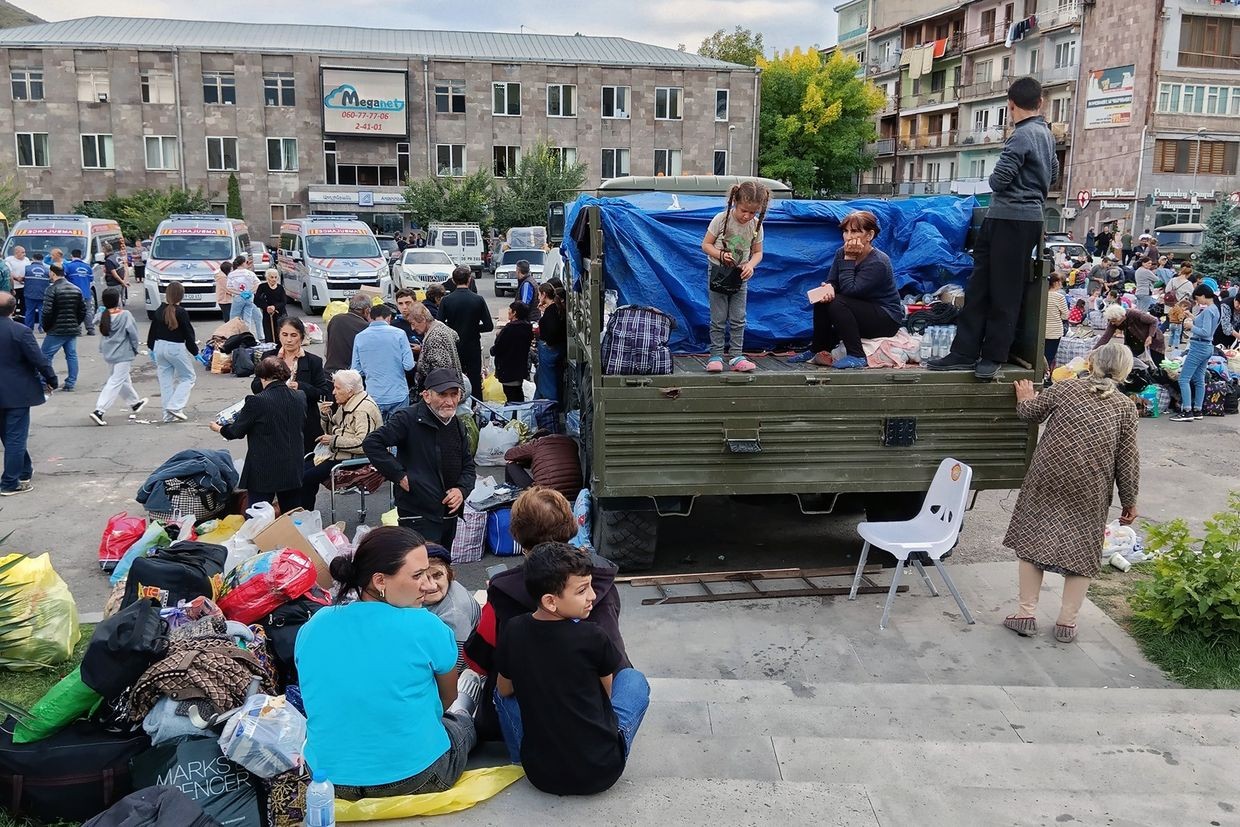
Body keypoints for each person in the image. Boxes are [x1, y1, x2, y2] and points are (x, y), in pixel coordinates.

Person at [296, 526, 482, 799]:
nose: (428, 586)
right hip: (416, 775)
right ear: (380, 581)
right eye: (418, 575)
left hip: (328, 781)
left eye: (430, 574)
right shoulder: (427, 625)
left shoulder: (314, 625)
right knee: (461, 721)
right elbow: (447, 699)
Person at [465, 487, 630, 743]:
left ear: (518, 535)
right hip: (595, 708)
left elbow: (482, 658)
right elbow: (614, 651)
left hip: (536, 713)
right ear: (571, 525)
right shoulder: (601, 579)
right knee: (633, 680)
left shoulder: (505, 589)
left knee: (499, 687)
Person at [1003, 343, 1139, 643]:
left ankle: (1025, 614)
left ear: (1091, 362)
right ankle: (1067, 623)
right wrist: (1129, 500)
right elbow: (1127, 461)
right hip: (1091, 486)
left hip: (1048, 475)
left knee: (1033, 539)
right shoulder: (1125, 407)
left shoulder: (1066, 389)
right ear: (1124, 372)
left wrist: (1024, 397)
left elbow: (1030, 413)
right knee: (1082, 548)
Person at [927, 77, 1057, 380]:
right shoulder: (1046, 135)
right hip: (1019, 218)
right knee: (983, 286)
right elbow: (1053, 174)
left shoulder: (1021, 136)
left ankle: (990, 355)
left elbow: (997, 181)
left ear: (1010, 105)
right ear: (1040, 103)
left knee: (1000, 290)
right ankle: (966, 352)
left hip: (1011, 218)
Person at [494, 542, 650, 794]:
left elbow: (504, 690)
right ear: (551, 601)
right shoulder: (593, 636)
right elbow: (607, 699)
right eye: (582, 590)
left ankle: (517, 758)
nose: (592, 596)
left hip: (540, 775)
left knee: (499, 692)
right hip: (601, 772)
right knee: (634, 680)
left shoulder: (513, 629)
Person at [363, 367, 476, 547]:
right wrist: (399, 475)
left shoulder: (457, 423)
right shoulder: (407, 418)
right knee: (422, 566)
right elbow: (372, 443)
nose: (449, 401)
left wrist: (461, 490)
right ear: (426, 396)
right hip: (417, 511)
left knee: (442, 563)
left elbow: (468, 465)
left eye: (454, 394)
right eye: (442, 395)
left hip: (449, 511)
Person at [791, 210, 902, 370]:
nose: (848, 237)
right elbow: (834, 281)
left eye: (855, 231)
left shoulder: (878, 262)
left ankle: (856, 355)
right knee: (823, 298)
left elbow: (851, 290)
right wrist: (828, 286)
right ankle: (818, 348)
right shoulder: (841, 252)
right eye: (845, 231)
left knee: (837, 302)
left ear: (869, 235)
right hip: (858, 309)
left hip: (885, 318)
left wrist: (849, 259)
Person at [210, 357, 305, 511]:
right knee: (293, 512)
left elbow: (236, 431)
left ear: (262, 377)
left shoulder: (257, 401)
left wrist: (219, 428)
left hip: (265, 468)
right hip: (293, 465)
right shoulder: (300, 396)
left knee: (257, 514)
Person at [700, 180, 769, 373]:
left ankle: (737, 355)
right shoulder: (721, 219)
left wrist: (751, 265)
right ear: (734, 203)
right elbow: (706, 245)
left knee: (739, 317)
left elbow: (758, 252)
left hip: (740, 276)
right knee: (718, 316)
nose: (747, 216)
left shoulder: (756, 226)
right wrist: (721, 255)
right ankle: (716, 355)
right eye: (743, 210)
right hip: (718, 273)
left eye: (752, 212)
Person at [300, 368, 382, 510]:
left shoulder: (362, 410)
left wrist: (333, 440)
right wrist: (326, 416)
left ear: (350, 391)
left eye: (337, 388)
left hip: (353, 459)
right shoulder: (347, 402)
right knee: (298, 470)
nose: (333, 392)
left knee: (306, 478)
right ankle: (301, 512)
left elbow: (364, 444)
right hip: (337, 453)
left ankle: (305, 513)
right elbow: (333, 428)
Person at [0, 291, 57, 496]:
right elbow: (38, 359)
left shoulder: (19, 331)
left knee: (8, 435)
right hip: (17, 392)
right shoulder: (20, 331)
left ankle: (24, 470)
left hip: (12, 393)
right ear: (14, 309)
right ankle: (10, 482)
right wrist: (51, 379)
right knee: (15, 437)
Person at [254, 316, 331, 453]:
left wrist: (301, 387)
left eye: (293, 335)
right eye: (285, 335)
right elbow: (255, 387)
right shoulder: (269, 357)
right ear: (279, 335)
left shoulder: (313, 361)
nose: (288, 340)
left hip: (304, 422)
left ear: (301, 337)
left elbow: (323, 391)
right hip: (273, 420)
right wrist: (271, 383)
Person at [89, 287, 147, 426]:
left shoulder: (103, 314)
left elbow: (93, 322)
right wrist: (135, 348)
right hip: (124, 353)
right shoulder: (125, 315)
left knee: (122, 379)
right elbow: (133, 334)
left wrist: (101, 310)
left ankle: (134, 403)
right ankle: (99, 410)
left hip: (109, 353)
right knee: (115, 381)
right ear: (118, 300)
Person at [423, 543, 482, 670]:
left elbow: (454, 666)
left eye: (437, 575)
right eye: (423, 577)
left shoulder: (454, 615)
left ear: (449, 574)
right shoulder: (447, 589)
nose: (432, 585)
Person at [352, 303, 415, 421]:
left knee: (377, 434)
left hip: (374, 395)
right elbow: (409, 365)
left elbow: (356, 370)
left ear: (370, 317)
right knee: (398, 433)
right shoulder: (399, 334)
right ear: (389, 317)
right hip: (398, 394)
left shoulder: (360, 337)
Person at [147, 281, 198, 423]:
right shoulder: (181, 312)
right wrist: (195, 352)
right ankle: (175, 406)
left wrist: (151, 348)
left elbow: (152, 331)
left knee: (165, 382)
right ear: (182, 296)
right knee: (188, 377)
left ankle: (167, 415)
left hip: (159, 347)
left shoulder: (160, 309)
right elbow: (188, 334)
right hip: (175, 348)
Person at [440, 265, 493, 398]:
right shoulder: (478, 299)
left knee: (454, 379)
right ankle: (476, 408)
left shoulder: (446, 300)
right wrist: (473, 327)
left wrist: (453, 327)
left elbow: (439, 324)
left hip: (454, 347)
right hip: (472, 345)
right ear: (469, 280)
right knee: (475, 380)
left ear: (453, 280)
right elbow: (489, 326)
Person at [1171, 284, 1221, 422]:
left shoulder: (1208, 311)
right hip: (1207, 348)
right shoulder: (1214, 309)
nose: (1197, 301)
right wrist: (1192, 317)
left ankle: (1187, 411)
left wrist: (1190, 326)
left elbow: (1205, 332)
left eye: (1198, 298)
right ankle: (1197, 409)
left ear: (1204, 296)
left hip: (1198, 346)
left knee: (1184, 379)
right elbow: (1206, 327)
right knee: (1199, 380)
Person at [40, 264, 86, 392]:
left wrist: (46, 326)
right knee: (71, 355)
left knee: (45, 356)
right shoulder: (76, 289)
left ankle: (45, 382)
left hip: (56, 329)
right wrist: (76, 323)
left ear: (52, 273)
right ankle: (71, 382)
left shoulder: (52, 289)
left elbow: (47, 311)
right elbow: (82, 310)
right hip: (72, 328)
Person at [503, 432, 583, 497]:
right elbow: (549, 461)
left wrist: (519, 459)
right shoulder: (571, 443)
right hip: (575, 494)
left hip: (546, 497)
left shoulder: (537, 444)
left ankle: (510, 497)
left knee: (510, 464)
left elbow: (508, 454)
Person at [407, 301, 462, 391]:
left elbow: (440, 372)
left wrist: (420, 366)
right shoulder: (440, 326)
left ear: (423, 319)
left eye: (413, 323)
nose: (412, 328)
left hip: (441, 393)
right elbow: (455, 336)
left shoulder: (434, 338)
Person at [1098, 304, 1165, 368]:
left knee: (1157, 364)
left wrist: (1150, 336)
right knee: (1131, 364)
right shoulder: (1113, 320)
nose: (1112, 323)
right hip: (1134, 342)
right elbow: (1105, 337)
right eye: (1110, 321)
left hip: (1154, 342)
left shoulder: (1135, 314)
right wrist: (1094, 351)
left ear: (1122, 317)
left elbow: (1154, 321)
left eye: (1114, 321)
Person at [491, 301, 534, 403]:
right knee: (518, 394)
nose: (508, 312)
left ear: (514, 313)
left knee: (511, 396)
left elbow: (499, 347)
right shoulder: (527, 327)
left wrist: (493, 349)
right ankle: (519, 415)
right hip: (520, 368)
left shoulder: (509, 329)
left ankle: (514, 416)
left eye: (510, 310)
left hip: (508, 369)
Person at [325, 293, 371, 374]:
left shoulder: (335, 319)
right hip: (350, 376)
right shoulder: (366, 327)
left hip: (329, 372)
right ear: (367, 310)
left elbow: (326, 351)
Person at [227, 255, 263, 337]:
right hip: (249, 297)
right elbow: (258, 284)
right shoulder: (250, 273)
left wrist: (239, 293)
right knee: (247, 318)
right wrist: (250, 292)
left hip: (238, 297)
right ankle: (248, 336)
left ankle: (232, 336)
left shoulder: (232, 274)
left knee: (234, 318)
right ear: (243, 263)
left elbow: (229, 288)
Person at [63, 249, 96, 336]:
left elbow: (63, 277)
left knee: (75, 311)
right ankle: (91, 329)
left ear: (71, 256)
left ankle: (78, 330)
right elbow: (91, 279)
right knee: (88, 311)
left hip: (73, 293)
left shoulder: (68, 266)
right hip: (86, 293)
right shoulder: (87, 267)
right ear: (81, 256)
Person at [1044, 273, 1069, 376]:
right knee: (1050, 356)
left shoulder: (1042, 294)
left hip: (1042, 330)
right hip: (1054, 331)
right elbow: (1065, 316)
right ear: (1056, 283)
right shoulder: (1060, 297)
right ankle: (1046, 376)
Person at [254, 268, 287, 343]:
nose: (274, 279)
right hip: (267, 314)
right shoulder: (262, 287)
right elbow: (257, 300)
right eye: (272, 277)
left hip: (280, 314)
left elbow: (284, 301)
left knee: (280, 334)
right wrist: (266, 307)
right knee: (269, 335)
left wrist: (274, 307)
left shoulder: (280, 288)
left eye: (275, 277)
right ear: (267, 277)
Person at [21, 252, 49, 332]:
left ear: (32, 259)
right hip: (43, 294)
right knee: (42, 311)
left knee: (29, 311)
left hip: (29, 294)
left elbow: (21, 278)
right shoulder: (47, 269)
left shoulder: (27, 268)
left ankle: (29, 328)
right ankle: (42, 328)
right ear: (42, 260)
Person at [4, 246, 27, 322]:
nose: (24, 254)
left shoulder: (26, 260)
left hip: (24, 286)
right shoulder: (9, 260)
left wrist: (23, 277)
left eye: (24, 252)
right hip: (14, 287)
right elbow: (8, 272)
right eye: (22, 252)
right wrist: (16, 278)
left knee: (23, 304)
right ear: (16, 252)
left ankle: (22, 319)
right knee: (13, 303)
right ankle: (12, 320)